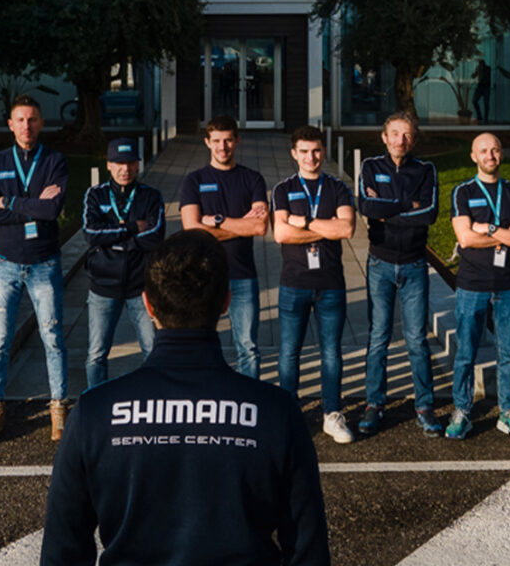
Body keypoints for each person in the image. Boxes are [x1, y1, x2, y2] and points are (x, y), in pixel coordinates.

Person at [39, 231, 330, 566]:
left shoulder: (95, 412)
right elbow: (309, 561)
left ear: (148, 305)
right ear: (225, 301)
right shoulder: (277, 412)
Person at [0, 95, 71, 442]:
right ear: (10, 124)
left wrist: (10, 202)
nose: (26, 126)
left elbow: (52, 211)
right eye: (20, 119)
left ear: (41, 123)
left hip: (44, 262)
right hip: (4, 263)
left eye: (32, 119)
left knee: (53, 337)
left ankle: (58, 406)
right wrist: (32, 206)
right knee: (0, 341)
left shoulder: (55, 161)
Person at [356, 111, 442, 436]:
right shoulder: (370, 166)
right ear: (384, 136)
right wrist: (407, 205)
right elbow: (367, 207)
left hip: (414, 265)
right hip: (380, 263)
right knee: (378, 337)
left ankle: (425, 406)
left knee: (417, 339)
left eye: (406, 135)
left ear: (414, 140)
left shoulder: (425, 170)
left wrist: (388, 207)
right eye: (394, 133)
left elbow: (429, 214)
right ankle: (374, 404)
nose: (400, 140)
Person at [446, 133, 510, 441]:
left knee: (508, 352)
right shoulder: (463, 191)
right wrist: (507, 233)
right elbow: (465, 238)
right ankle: (462, 411)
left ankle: (507, 412)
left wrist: (490, 228)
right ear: (473, 156)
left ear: (502, 153)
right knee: (466, 353)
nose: (490, 155)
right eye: (483, 151)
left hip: (507, 284)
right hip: (472, 285)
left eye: (495, 149)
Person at [272, 125, 356, 443]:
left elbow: (346, 229)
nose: (311, 157)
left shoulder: (338, 187)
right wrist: (325, 227)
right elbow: (281, 233)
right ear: (294, 154)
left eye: (317, 150)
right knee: (289, 353)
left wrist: (305, 222)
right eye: (305, 151)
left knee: (331, 352)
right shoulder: (283, 189)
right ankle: (289, 414)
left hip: (331, 284)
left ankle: (332, 414)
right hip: (294, 283)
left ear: (324, 151)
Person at [178, 115, 269, 379]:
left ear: (237, 141)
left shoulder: (252, 179)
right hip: (204, 276)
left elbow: (259, 227)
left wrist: (216, 222)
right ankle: (206, 394)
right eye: (217, 141)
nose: (223, 147)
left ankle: (248, 398)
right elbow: (192, 231)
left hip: (243, 275)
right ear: (207, 142)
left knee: (248, 348)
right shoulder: (194, 181)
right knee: (202, 346)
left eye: (228, 140)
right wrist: (240, 225)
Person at [81, 138, 165, 388]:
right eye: (118, 163)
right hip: (103, 286)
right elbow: (90, 233)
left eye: (130, 163)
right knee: (96, 353)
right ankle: (96, 400)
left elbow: (155, 236)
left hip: (141, 286)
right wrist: (131, 228)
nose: (125, 169)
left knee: (152, 350)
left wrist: (115, 240)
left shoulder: (151, 196)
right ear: (108, 164)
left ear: (138, 165)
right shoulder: (95, 195)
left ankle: (154, 398)